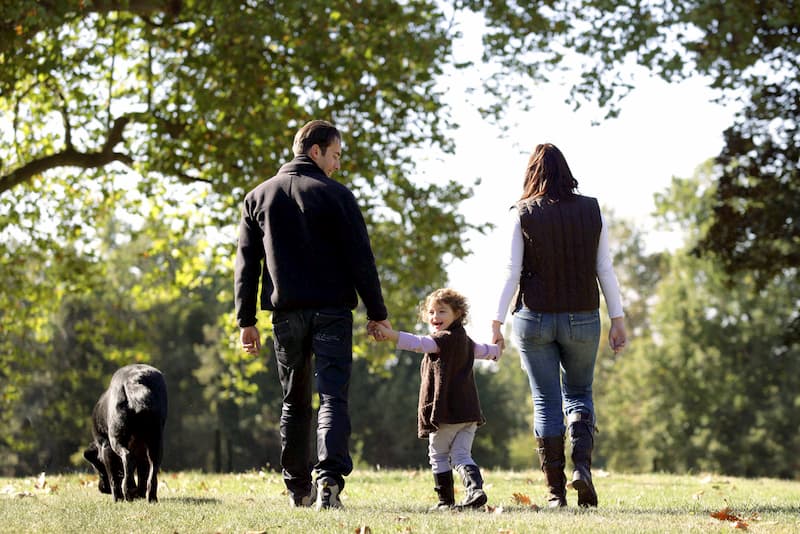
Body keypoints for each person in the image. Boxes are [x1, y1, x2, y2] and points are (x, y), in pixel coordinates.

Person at [234, 119, 391, 510]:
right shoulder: (337, 196)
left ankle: (297, 489)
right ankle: (329, 481)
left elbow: (246, 265)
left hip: (285, 316)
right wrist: (377, 313)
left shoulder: (257, 198)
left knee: (294, 401)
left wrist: (245, 320)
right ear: (315, 150)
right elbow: (361, 260)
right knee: (333, 397)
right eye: (335, 155)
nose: (337, 165)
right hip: (333, 312)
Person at [491, 143, 627, 509]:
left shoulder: (522, 213)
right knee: (579, 393)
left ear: (532, 174)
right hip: (583, 315)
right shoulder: (591, 210)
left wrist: (496, 321)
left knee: (546, 401)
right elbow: (605, 269)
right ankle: (581, 466)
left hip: (533, 318)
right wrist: (618, 318)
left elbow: (511, 272)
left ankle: (555, 492)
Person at [373, 288, 500, 511]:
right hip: (469, 412)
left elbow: (419, 343)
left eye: (442, 311)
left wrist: (390, 335)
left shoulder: (442, 339)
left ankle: (445, 501)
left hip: (448, 412)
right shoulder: (466, 341)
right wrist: (497, 349)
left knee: (438, 454)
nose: (435, 317)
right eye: (431, 312)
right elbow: (484, 351)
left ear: (458, 313)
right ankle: (475, 490)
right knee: (461, 454)